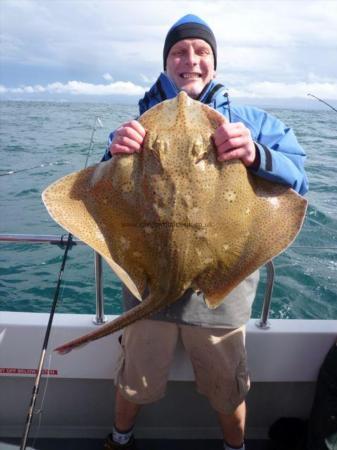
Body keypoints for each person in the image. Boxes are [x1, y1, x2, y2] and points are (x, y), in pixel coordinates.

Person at [102, 14, 309, 450]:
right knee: (134, 381)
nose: (190, 59)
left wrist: (257, 154)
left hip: (221, 289)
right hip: (148, 286)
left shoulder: (251, 121)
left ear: (214, 64)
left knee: (226, 388)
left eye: (201, 52)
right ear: (165, 64)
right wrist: (112, 152)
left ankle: (234, 447)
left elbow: (300, 181)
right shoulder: (140, 123)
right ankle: (119, 440)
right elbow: (100, 190)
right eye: (179, 51)